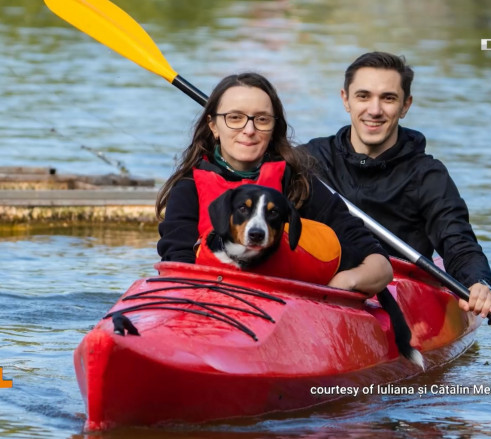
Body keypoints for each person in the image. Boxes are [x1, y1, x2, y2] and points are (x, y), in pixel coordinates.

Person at [156, 72, 393, 297]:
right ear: (214, 126)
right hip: (212, 307)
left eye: (261, 119)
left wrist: (339, 286)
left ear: (274, 127)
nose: (249, 130)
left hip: (285, 311)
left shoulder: (300, 184)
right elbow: (177, 267)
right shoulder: (188, 188)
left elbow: (378, 264)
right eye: (235, 118)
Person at [302, 52, 491, 317]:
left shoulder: (428, 175)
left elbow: (458, 242)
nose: (374, 110)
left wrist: (478, 283)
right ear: (345, 100)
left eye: (388, 98)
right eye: (363, 96)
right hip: (323, 284)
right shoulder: (308, 162)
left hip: (399, 292)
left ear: (405, 106)